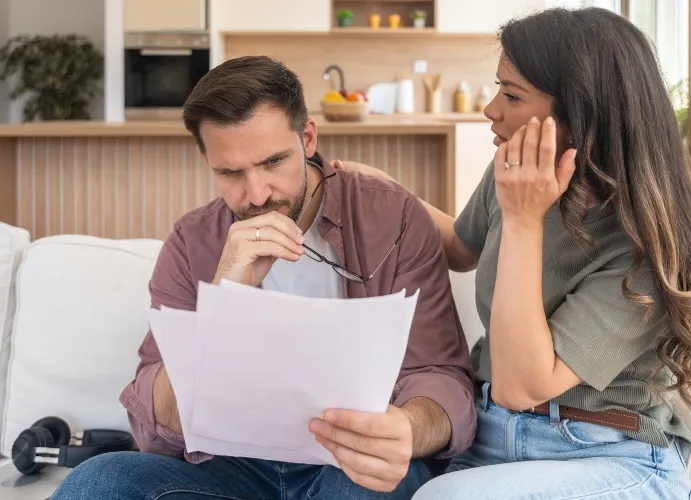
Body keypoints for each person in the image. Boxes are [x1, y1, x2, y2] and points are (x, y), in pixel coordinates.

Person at [338, 7, 691, 499]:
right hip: (486, 434)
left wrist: (525, 219)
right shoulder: (514, 170)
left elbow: (521, 386)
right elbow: (461, 248)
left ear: (582, 113)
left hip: (602, 452)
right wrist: (389, 192)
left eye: (512, 94)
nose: (490, 110)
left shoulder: (644, 249)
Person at [51, 55, 476, 500]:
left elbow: (442, 377)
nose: (257, 196)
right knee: (99, 480)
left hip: (348, 458)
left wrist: (406, 429)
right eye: (230, 173)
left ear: (307, 137)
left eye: (273, 162)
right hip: (232, 467)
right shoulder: (192, 240)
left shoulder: (392, 216)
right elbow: (152, 429)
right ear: (206, 160)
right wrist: (225, 295)